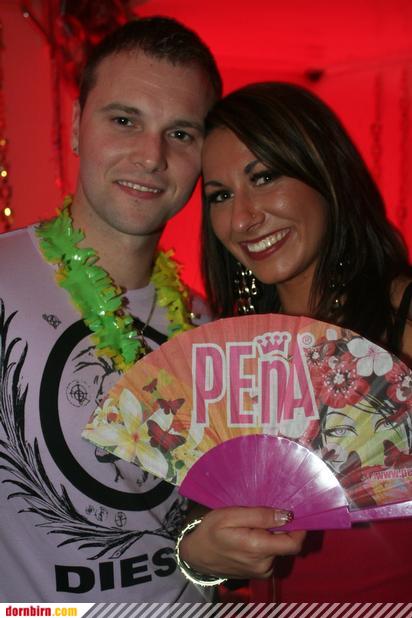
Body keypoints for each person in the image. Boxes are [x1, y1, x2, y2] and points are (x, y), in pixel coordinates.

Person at [0, 16, 224, 602]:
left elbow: (193, 534)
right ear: (77, 125)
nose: (151, 156)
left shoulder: (206, 325)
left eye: (181, 133)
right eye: (125, 120)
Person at [193, 81, 412, 601]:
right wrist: (198, 556)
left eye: (264, 177)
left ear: (324, 172)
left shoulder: (402, 316)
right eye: (220, 195)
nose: (242, 218)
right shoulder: (231, 351)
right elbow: (216, 546)